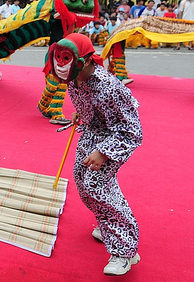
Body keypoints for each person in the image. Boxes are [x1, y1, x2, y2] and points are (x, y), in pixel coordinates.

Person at [47, 33, 142, 276]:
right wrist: (83, 113)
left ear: (86, 61)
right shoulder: (72, 78)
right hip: (91, 133)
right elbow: (88, 102)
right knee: (82, 181)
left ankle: (125, 250)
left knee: (97, 186)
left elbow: (133, 131)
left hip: (115, 139)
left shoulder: (108, 87)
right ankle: (106, 223)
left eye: (67, 58)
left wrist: (104, 153)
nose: (62, 63)